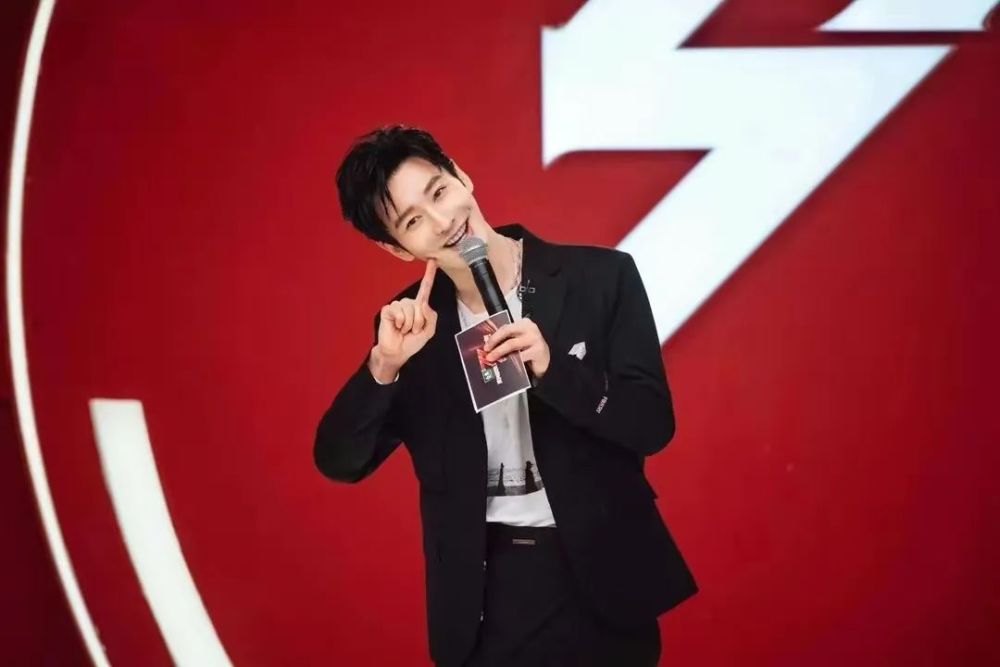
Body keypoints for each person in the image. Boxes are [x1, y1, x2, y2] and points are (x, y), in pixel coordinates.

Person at [315, 126, 697, 666]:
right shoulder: (411, 328)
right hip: (483, 597)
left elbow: (651, 424)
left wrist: (553, 369)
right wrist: (384, 365)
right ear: (396, 248)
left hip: (602, 577)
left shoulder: (600, 277)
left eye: (439, 191)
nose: (443, 220)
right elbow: (339, 461)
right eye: (413, 221)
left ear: (460, 174)